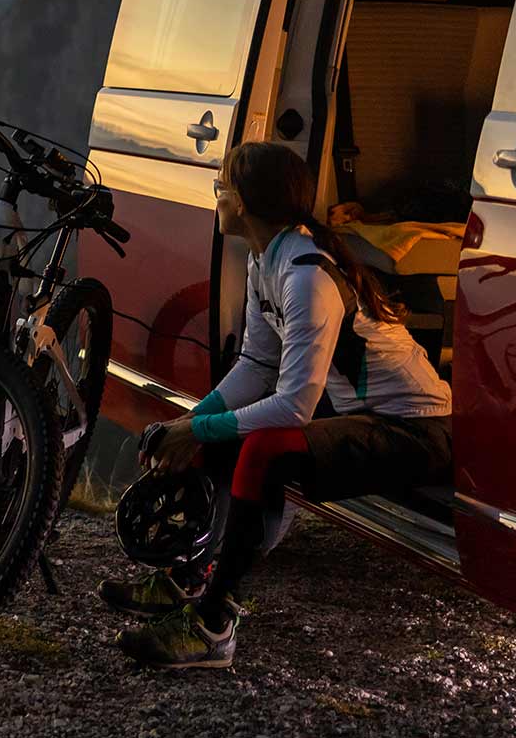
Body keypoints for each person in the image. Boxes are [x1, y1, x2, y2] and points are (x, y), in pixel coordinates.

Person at [100, 141, 453, 668]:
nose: (216, 195)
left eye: (222, 187)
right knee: (225, 435)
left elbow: (292, 408)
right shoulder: (267, 259)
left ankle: (213, 627)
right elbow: (256, 365)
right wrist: (191, 421)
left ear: (242, 201)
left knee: (263, 449)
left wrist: (200, 431)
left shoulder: (307, 276)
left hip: (416, 429)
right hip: (362, 415)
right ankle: (187, 578)